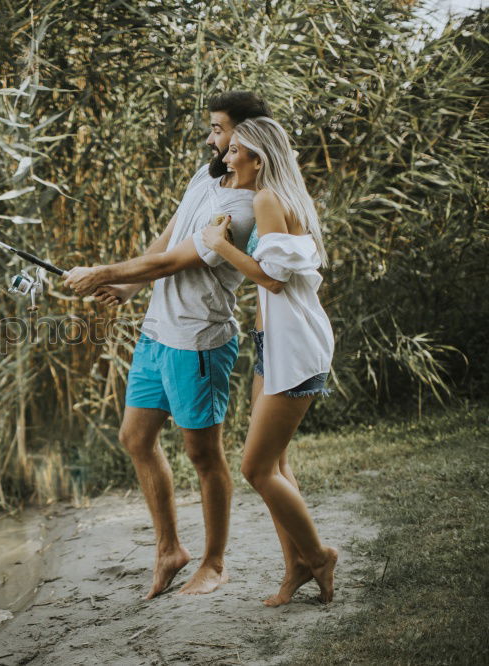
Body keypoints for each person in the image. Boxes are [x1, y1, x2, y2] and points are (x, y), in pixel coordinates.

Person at [63, 91, 270, 598]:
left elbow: (174, 262)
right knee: (135, 438)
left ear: (247, 136)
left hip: (197, 341)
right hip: (157, 332)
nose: (212, 138)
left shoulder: (242, 208)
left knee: (203, 455)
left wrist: (101, 271)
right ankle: (169, 550)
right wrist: (128, 287)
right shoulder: (207, 176)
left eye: (220, 129)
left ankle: (214, 563)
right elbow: (170, 235)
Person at [199, 115, 338, 605]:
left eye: (234, 149)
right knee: (276, 463)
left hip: (294, 348)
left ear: (258, 158)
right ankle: (297, 564)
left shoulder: (267, 198)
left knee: (256, 468)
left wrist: (219, 247)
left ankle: (319, 556)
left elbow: (274, 279)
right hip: (272, 345)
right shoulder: (278, 196)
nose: (225, 156)